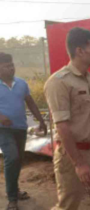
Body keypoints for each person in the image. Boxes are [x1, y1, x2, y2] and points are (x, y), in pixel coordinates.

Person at [44, 27, 90, 210]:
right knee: (69, 205)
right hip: (72, 154)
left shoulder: (88, 79)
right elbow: (62, 127)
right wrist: (79, 164)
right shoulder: (59, 82)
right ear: (80, 51)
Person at [0, 52, 47, 210]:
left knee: (18, 160)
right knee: (12, 158)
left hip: (20, 128)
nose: (11, 68)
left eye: (12, 65)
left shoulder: (21, 83)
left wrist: (41, 120)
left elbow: (31, 102)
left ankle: (14, 189)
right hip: (3, 129)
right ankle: (12, 198)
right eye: (7, 66)